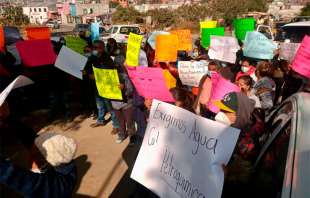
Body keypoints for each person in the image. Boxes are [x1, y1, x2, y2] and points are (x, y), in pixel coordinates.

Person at [0, 132, 77, 198]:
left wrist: (35, 170)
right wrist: (9, 117)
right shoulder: (64, 163)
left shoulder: (60, 186)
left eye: (36, 155)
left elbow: (19, 178)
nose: (30, 155)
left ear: (46, 160)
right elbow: (28, 136)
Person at [84, 40, 119, 130]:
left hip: (106, 87)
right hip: (97, 86)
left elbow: (108, 74)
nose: (94, 49)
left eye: (96, 48)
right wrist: (87, 73)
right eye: (93, 47)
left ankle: (116, 125)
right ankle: (100, 120)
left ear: (102, 48)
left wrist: (94, 76)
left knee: (110, 106)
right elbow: (88, 67)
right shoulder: (93, 57)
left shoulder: (107, 59)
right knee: (99, 105)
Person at [111, 66, 136, 145]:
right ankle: (122, 134)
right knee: (120, 121)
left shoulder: (124, 77)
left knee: (129, 121)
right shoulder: (108, 77)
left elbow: (130, 91)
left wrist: (124, 88)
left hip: (126, 104)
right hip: (115, 104)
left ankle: (132, 137)